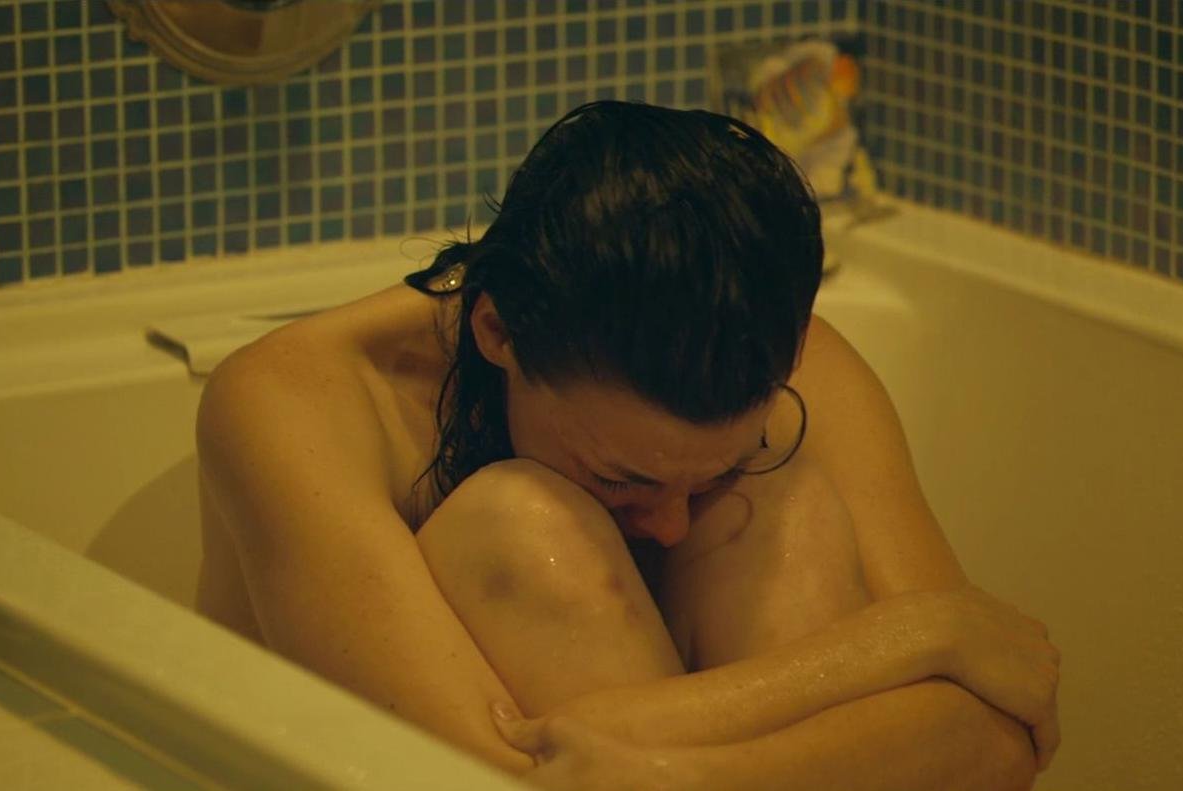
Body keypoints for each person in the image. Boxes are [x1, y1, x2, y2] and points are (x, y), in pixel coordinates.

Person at [193, 101, 1061, 791]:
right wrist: (910, 639)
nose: (673, 525)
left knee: (777, 503)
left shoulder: (788, 366)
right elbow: (499, 779)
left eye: (710, 469)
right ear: (498, 333)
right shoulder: (297, 403)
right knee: (520, 523)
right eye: (620, 478)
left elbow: (996, 732)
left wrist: (684, 774)